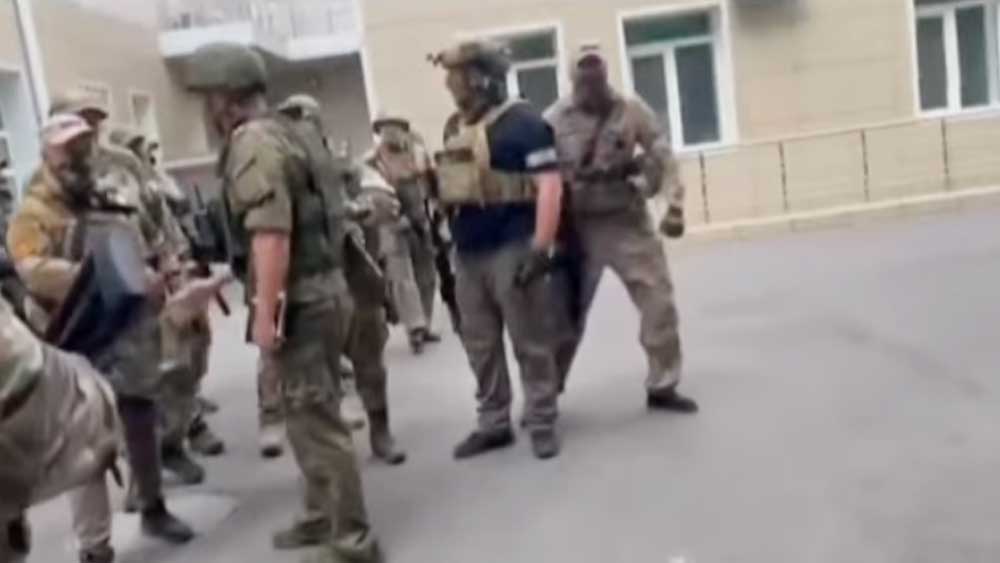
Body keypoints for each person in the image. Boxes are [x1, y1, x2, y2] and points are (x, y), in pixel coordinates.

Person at [187, 43, 382, 562]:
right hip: (325, 289)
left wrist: (266, 314)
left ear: (227, 98)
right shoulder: (291, 131)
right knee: (303, 416)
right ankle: (319, 515)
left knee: (318, 423)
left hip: (302, 301)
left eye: (209, 98)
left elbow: (271, 235)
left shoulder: (253, 142)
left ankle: (353, 540)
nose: (206, 110)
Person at [6, 113, 202, 554]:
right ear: (47, 153)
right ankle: (95, 546)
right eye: (67, 148)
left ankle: (152, 506)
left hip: (126, 329)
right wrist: (101, 276)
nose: (78, 155)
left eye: (83, 144)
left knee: (141, 416)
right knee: (85, 442)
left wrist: (161, 268)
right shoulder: (33, 212)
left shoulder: (109, 193)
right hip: (74, 336)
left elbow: (142, 238)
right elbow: (32, 269)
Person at [430, 40, 568, 460]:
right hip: (468, 253)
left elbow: (550, 185)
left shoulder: (525, 122)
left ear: (480, 78)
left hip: (514, 247)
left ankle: (542, 420)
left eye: (455, 76)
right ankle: (494, 423)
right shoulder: (456, 127)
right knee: (481, 345)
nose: (449, 85)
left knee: (531, 341)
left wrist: (541, 246)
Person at [544, 43, 698, 413]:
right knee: (563, 316)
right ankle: (545, 393)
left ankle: (663, 384)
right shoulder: (554, 119)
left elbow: (662, 152)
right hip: (577, 228)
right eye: (584, 78)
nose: (592, 86)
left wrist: (672, 201)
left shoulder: (630, 110)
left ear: (606, 75)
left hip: (626, 220)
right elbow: (536, 174)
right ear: (573, 80)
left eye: (597, 77)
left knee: (658, 302)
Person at [107, 126, 225, 470]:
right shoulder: (112, 188)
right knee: (151, 373)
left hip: (170, 276)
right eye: (136, 148)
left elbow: (170, 226)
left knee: (191, 352)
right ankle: (162, 449)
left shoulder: (151, 184)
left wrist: (180, 264)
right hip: (135, 292)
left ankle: (183, 424)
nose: (143, 154)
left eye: (143, 148)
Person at [0, 294, 121, 563]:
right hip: (28, 385)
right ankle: (95, 549)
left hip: (31, 381)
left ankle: (96, 548)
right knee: (84, 442)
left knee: (84, 446)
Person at [365, 113, 441, 354]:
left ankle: (425, 322)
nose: (391, 133)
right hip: (392, 224)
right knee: (401, 277)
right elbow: (372, 192)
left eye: (396, 128)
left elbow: (432, 183)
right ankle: (415, 327)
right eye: (385, 129)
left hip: (420, 220)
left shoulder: (417, 154)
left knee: (426, 273)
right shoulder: (372, 161)